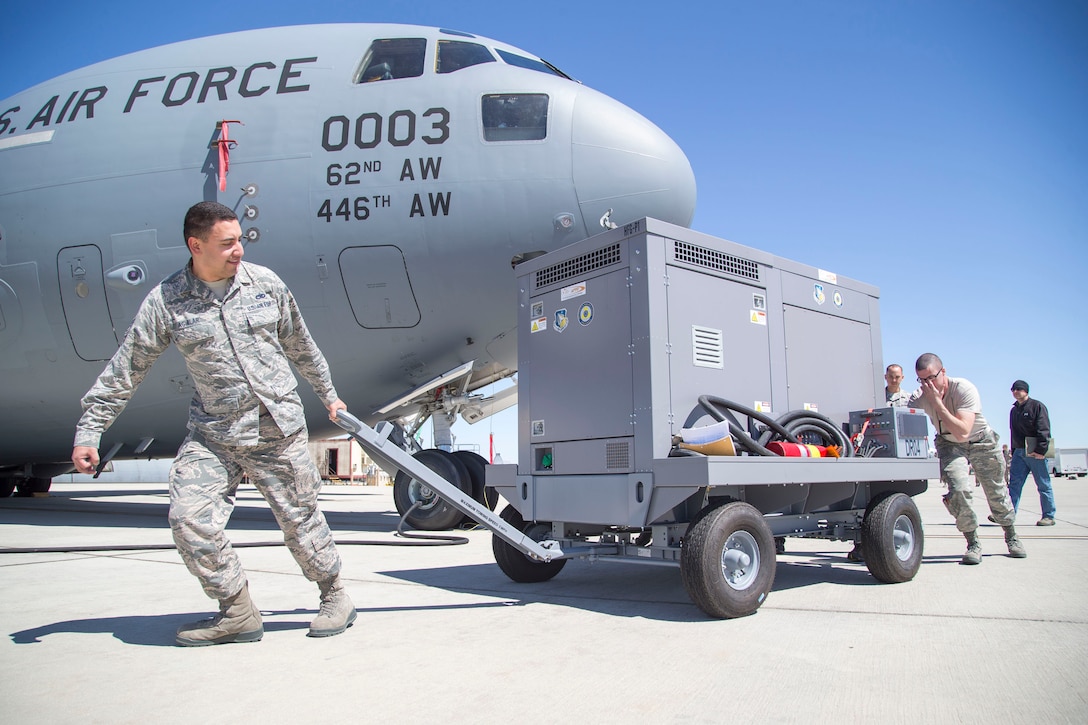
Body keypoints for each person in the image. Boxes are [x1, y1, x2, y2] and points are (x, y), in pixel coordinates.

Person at [71, 201, 356, 646]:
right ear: (196, 245)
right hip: (215, 434)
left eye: (240, 240)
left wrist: (329, 395)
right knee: (188, 519)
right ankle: (237, 611)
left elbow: (302, 344)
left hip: (275, 428)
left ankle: (334, 594)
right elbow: (127, 367)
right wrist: (90, 431)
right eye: (227, 244)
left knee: (300, 521)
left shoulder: (265, 285)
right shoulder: (167, 301)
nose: (238, 250)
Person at [907, 353, 1026, 564]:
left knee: (996, 490)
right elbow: (903, 414)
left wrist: (937, 404)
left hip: (980, 441)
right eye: (922, 380)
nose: (928, 385)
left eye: (931, 378)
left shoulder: (963, 388)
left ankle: (1011, 535)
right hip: (949, 444)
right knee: (959, 489)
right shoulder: (920, 396)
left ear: (943, 372)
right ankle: (973, 542)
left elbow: (963, 431)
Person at [1008, 380, 1056, 526]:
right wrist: (1014, 451)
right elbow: (1013, 432)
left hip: (1036, 452)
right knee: (1014, 484)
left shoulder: (1037, 406)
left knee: (1043, 484)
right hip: (1019, 452)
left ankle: (1048, 516)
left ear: (1026, 391)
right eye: (1013, 389)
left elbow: (1044, 429)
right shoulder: (1014, 410)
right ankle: (1008, 515)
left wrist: (1041, 450)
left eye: (1019, 389)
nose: (1016, 392)